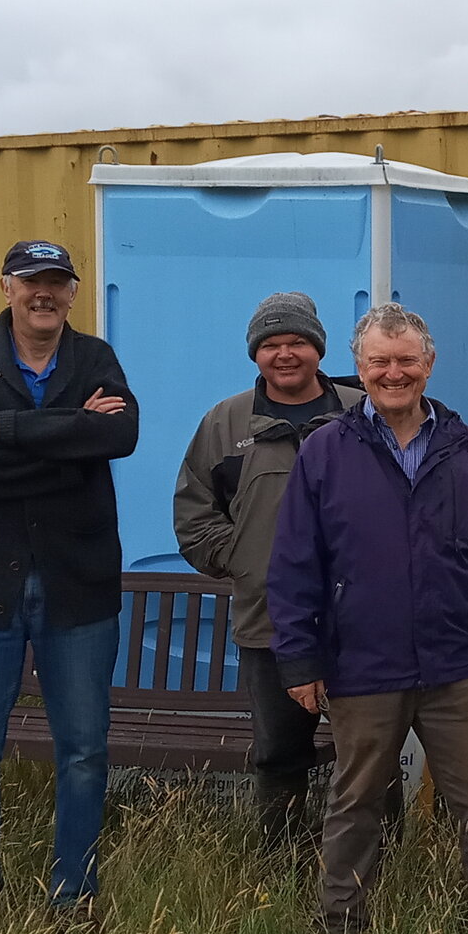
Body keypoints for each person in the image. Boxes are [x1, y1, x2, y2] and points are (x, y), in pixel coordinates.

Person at [268, 304, 468, 934]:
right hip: (363, 665)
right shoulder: (325, 451)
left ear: (428, 365)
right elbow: (295, 562)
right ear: (358, 369)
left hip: (455, 667)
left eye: (406, 360)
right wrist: (300, 661)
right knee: (355, 804)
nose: (393, 373)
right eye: (379, 362)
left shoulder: (466, 448)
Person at [0, 239, 140, 922]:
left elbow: (119, 436)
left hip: (78, 588)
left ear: (72, 292)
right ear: (6, 286)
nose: (42, 293)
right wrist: (65, 438)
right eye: (29, 281)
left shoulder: (95, 358)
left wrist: (2, 429)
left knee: (83, 751)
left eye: (56, 282)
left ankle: (73, 895)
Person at [172, 292, 364, 852]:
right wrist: (245, 560)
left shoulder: (360, 411)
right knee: (280, 750)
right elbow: (193, 510)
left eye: (298, 342)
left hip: (360, 619)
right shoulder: (226, 421)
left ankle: (373, 864)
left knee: (367, 750)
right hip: (269, 622)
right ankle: (281, 863)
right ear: (256, 354)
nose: (285, 354)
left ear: (318, 349)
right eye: (272, 344)